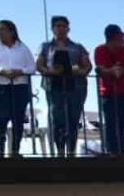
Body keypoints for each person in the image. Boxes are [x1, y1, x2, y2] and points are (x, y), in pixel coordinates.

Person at [36, 16, 91, 158]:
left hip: (75, 86)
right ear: (52, 29)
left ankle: (71, 150)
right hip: (53, 86)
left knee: (73, 119)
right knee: (56, 117)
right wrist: (50, 71)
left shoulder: (77, 47)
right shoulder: (45, 47)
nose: (60, 29)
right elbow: (39, 65)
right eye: (57, 26)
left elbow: (87, 67)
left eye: (63, 26)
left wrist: (76, 70)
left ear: (68, 28)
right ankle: (60, 149)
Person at [0, 20, 37, 158]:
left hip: (20, 87)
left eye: (3, 29)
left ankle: (15, 151)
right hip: (1, 87)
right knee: (1, 120)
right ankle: (0, 152)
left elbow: (32, 67)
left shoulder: (23, 48)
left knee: (18, 120)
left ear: (12, 31)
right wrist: (2, 71)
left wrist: (20, 71)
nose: (0, 32)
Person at [92, 23, 124, 158]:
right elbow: (100, 69)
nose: (123, 40)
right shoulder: (100, 50)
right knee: (110, 121)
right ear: (112, 38)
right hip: (108, 91)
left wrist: (113, 71)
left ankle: (121, 149)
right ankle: (111, 150)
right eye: (120, 37)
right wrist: (112, 71)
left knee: (123, 121)